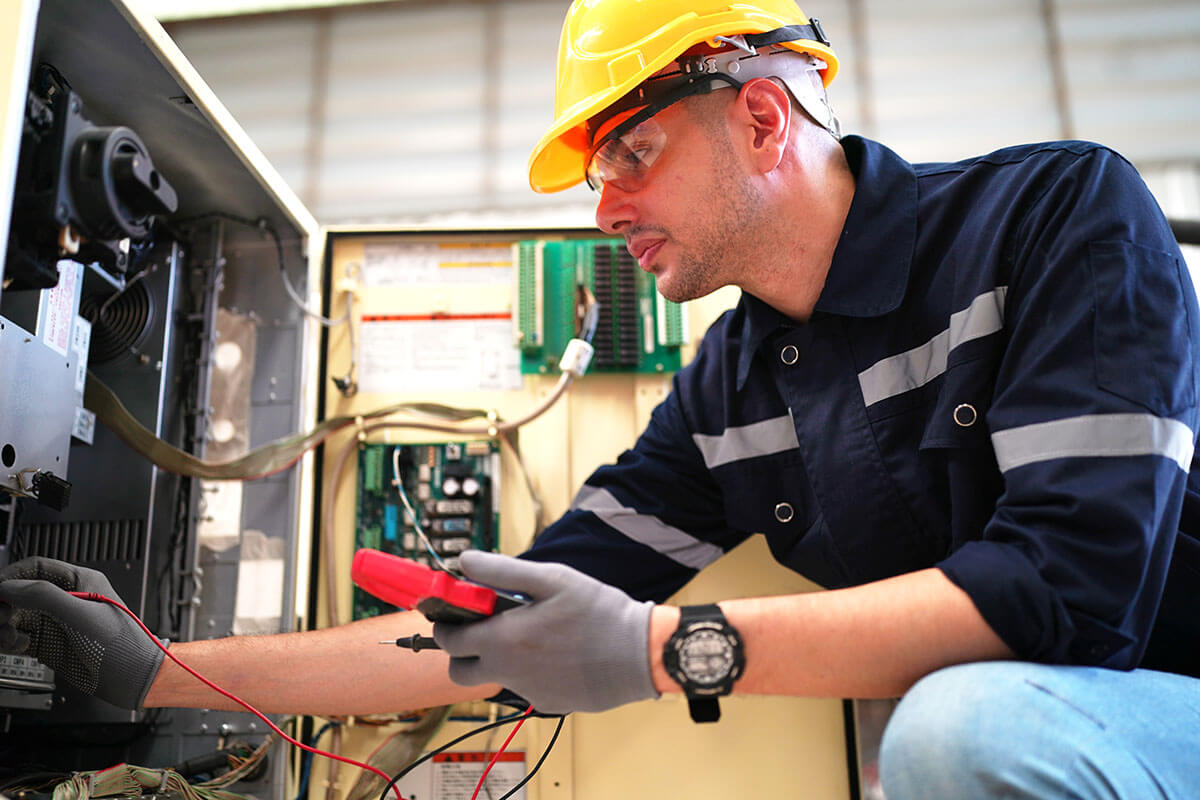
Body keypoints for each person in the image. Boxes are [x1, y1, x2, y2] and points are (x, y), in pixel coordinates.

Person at [3, 1, 1200, 796]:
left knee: (954, 736)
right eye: (594, 175)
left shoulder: (1057, 219)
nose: (604, 209)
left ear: (765, 117)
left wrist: (656, 646)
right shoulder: (733, 392)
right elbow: (491, 632)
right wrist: (165, 668)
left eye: (630, 154)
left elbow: (1070, 600)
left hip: (1158, 695)